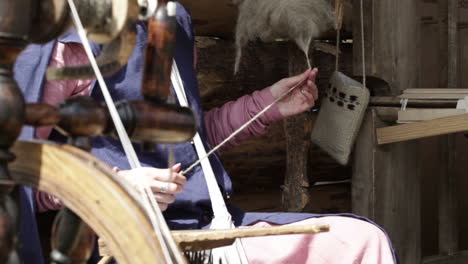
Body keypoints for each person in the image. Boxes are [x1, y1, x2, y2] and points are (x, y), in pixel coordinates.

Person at [14, 2, 397, 263]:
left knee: (360, 242)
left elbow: (188, 142)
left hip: (207, 229)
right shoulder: (63, 47)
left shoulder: (172, 20)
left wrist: (266, 105)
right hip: (116, 243)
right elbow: (21, 177)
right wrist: (113, 188)